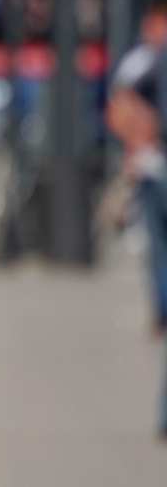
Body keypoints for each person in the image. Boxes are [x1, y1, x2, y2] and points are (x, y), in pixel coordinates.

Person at [106, 46, 167, 438]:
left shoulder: (151, 59)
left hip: (154, 168)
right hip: (155, 169)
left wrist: (137, 143)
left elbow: (120, 105)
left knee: (159, 253)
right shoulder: (151, 60)